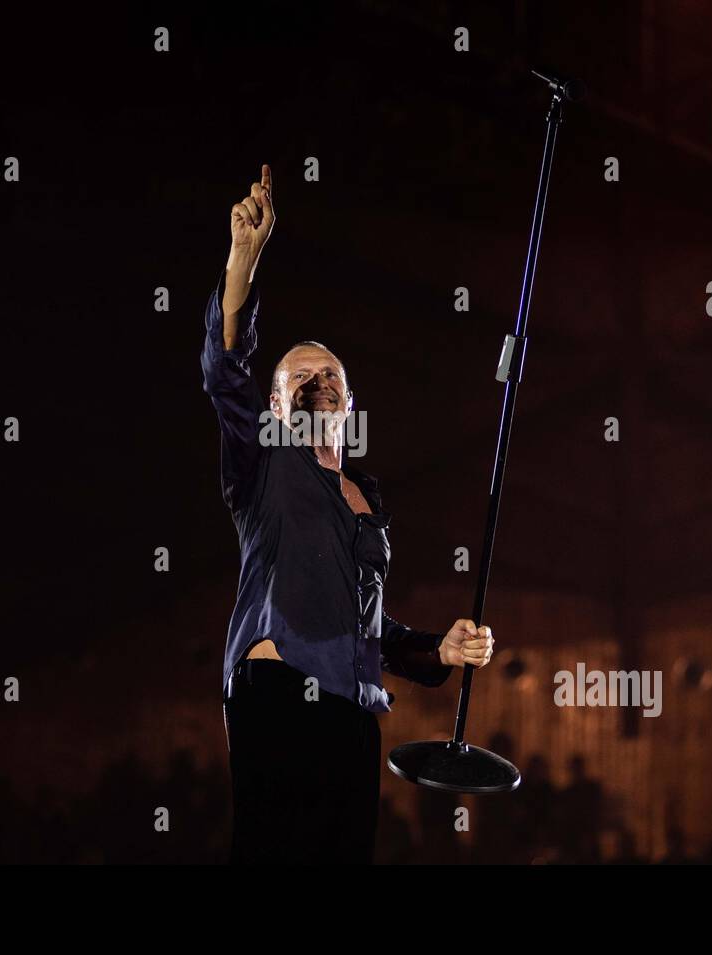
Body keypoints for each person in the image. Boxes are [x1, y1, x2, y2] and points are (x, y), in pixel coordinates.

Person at [201, 164, 496, 864]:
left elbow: (375, 629)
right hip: (277, 690)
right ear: (276, 407)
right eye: (298, 376)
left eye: (329, 373)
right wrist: (243, 260)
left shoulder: (367, 501)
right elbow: (225, 377)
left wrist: (439, 649)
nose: (316, 379)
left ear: (350, 403)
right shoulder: (261, 466)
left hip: (354, 713)